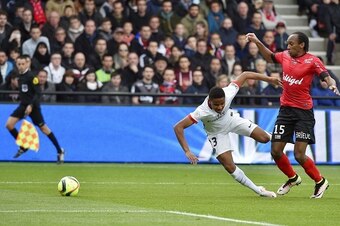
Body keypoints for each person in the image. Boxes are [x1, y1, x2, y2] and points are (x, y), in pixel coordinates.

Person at [246, 31, 340, 198]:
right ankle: (292, 177)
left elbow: (326, 76)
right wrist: (256, 41)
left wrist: (331, 85)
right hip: (286, 110)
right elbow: (270, 57)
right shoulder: (285, 56)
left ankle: (320, 181)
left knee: (299, 154)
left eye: (291, 44)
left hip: (303, 112)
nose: (288, 47)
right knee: (275, 151)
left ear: (301, 45)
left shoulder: (313, 60)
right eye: (288, 44)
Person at [173, 70, 281, 197]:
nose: (219, 107)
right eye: (216, 105)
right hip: (217, 133)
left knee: (264, 139)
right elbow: (178, 127)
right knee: (229, 166)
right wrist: (187, 151)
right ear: (210, 101)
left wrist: (270, 79)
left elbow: (245, 75)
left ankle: (270, 135)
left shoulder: (229, 92)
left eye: (222, 104)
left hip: (232, 120)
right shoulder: (201, 111)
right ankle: (258, 190)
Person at [5, 55, 65, 163]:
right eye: (19, 64)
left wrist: (31, 105)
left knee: (44, 129)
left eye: (23, 64)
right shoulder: (19, 76)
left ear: (27, 64)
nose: (21, 66)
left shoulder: (32, 77)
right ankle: (23, 146)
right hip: (23, 105)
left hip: (33, 107)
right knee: (9, 125)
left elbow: (38, 93)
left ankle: (60, 150)